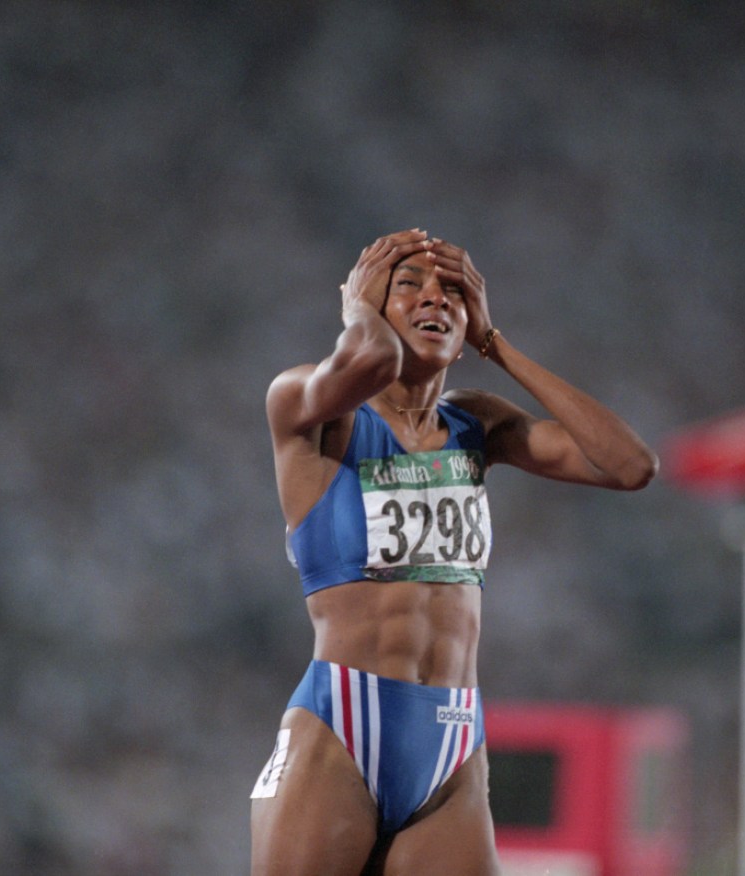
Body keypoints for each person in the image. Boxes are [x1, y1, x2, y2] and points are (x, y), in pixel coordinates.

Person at [250, 229, 658, 875]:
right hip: (340, 730)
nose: (433, 299)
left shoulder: (474, 425)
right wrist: (358, 310)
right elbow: (368, 365)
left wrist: (495, 346)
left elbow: (629, 465)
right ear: (365, 307)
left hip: (451, 739)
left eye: (452, 293)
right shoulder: (310, 405)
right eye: (406, 286)